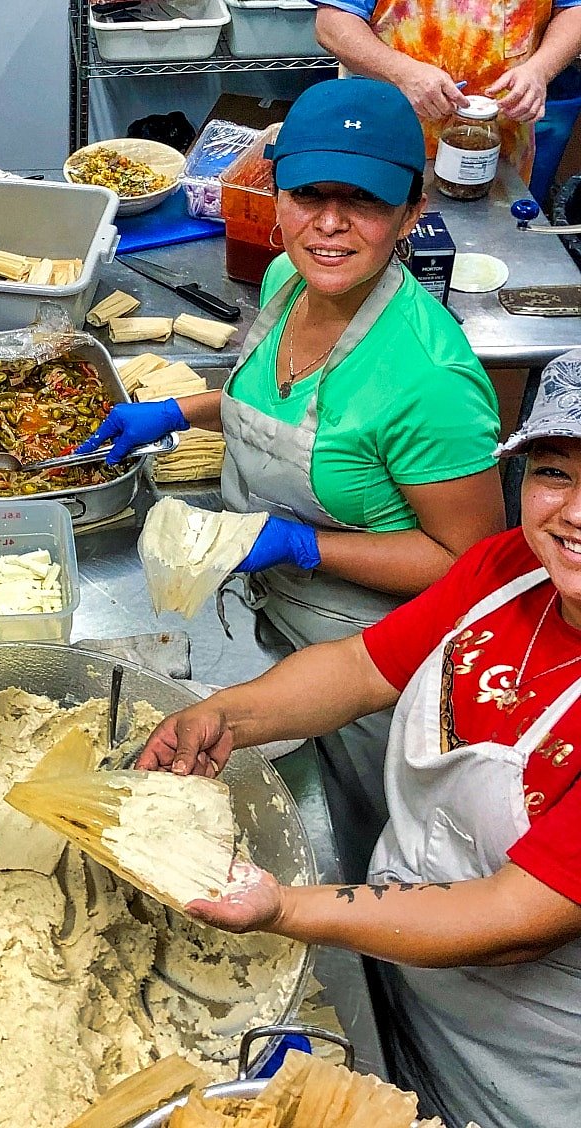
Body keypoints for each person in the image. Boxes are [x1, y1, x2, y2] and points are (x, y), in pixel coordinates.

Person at [135, 347, 581, 1128]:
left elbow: (512, 922)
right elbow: (362, 669)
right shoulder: (511, 569)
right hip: (410, 968)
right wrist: (225, 717)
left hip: (533, 1059)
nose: (573, 513)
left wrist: (281, 908)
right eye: (556, 473)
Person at [77, 78, 505, 880]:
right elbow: (259, 399)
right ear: (276, 197)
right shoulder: (285, 284)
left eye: (364, 201)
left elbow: (469, 567)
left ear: (412, 213)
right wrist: (175, 415)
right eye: (309, 194)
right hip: (280, 631)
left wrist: (302, 543)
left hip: (374, 666)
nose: (330, 224)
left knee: (361, 843)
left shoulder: (429, 378)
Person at [313, 0, 581, 182]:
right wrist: (402, 72)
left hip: (499, 149)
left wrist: (539, 70)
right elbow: (332, 24)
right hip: (387, 142)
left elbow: (573, 10)